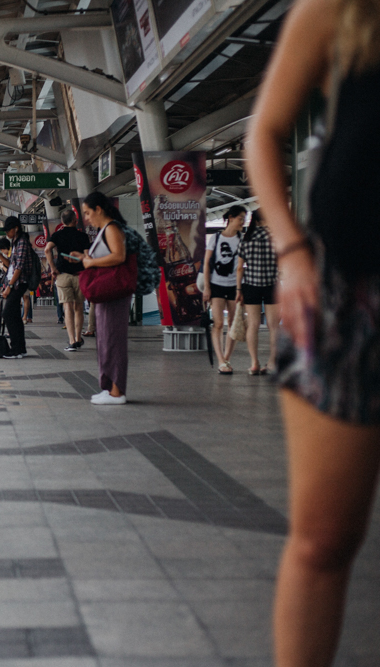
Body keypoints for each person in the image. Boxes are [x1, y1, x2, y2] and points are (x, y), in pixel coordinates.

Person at [247, 1, 380, 664]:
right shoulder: (341, 9)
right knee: (323, 540)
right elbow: (264, 131)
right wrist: (293, 252)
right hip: (345, 297)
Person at [68, 192, 131, 405]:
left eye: (87, 212)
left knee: (113, 340)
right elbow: (107, 258)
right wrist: (85, 258)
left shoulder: (112, 228)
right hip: (107, 293)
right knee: (106, 339)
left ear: (99, 210)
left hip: (114, 293)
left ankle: (117, 392)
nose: (86, 218)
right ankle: (109, 387)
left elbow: (118, 256)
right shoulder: (105, 229)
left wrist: (91, 263)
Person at [203, 205, 247, 374]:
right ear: (231, 218)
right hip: (216, 284)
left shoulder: (242, 239)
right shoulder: (215, 238)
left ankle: (227, 358)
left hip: (234, 285)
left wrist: (240, 288)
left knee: (233, 323)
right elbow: (207, 263)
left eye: (244, 218)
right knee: (219, 323)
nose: (242, 222)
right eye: (240, 218)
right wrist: (207, 287)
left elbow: (242, 266)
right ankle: (221, 359)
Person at [236, 209, 280, 375]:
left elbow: (240, 268)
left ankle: (254, 363)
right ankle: (272, 363)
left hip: (251, 286)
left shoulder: (246, 239)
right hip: (272, 285)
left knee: (253, 325)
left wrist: (238, 289)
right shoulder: (275, 237)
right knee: (274, 326)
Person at [46, 209, 91, 351]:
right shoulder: (83, 236)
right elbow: (87, 256)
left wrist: (53, 267)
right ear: (75, 220)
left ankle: (71, 341)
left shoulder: (57, 235)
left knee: (67, 307)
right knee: (79, 307)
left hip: (63, 275)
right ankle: (78, 338)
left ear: (62, 222)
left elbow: (47, 249)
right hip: (79, 275)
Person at [0, 216, 37, 359]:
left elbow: (19, 267)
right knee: (14, 315)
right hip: (15, 283)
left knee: (8, 313)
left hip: (19, 283)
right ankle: (20, 349)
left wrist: (9, 286)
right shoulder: (16, 242)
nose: (6, 234)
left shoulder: (21, 242)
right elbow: (11, 264)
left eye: (8, 230)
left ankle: (16, 349)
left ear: (15, 228)